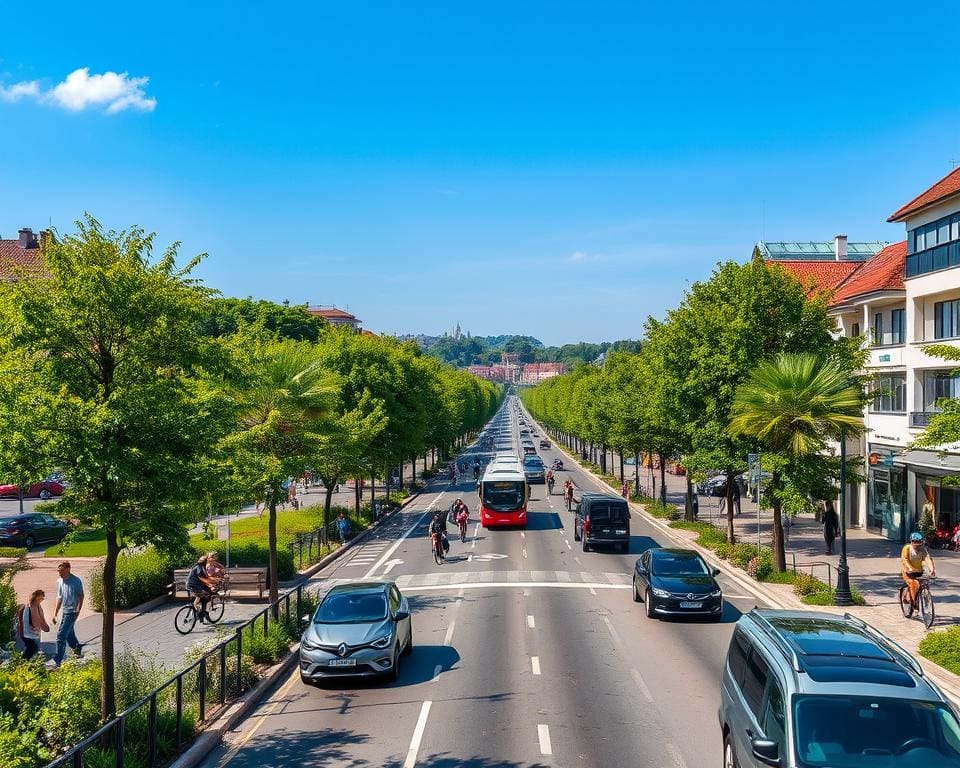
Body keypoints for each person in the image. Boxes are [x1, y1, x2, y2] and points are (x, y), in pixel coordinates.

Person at [52, 561, 84, 666]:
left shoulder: (76, 581)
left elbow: (80, 596)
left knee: (61, 636)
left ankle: (58, 660)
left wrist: (78, 610)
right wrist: (55, 612)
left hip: (72, 611)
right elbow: (59, 597)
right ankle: (77, 647)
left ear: (68, 569)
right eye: (58, 571)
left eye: (61, 571)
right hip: (65, 611)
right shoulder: (60, 581)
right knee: (69, 633)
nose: (59, 573)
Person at [901, 531, 936, 609]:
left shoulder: (923, 550)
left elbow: (928, 559)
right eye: (915, 542)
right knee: (915, 584)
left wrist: (931, 569)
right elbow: (904, 559)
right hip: (908, 571)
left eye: (919, 542)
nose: (917, 544)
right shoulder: (907, 548)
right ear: (912, 541)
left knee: (925, 583)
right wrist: (909, 568)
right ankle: (913, 603)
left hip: (919, 570)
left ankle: (926, 601)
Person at [21, 589, 50, 660]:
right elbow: (35, 622)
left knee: (32, 649)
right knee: (32, 649)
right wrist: (44, 626)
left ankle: (25, 665)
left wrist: (45, 626)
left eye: (43, 598)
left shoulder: (37, 606)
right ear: (36, 597)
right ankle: (22, 664)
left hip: (31, 633)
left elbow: (40, 619)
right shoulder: (33, 605)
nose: (42, 599)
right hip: (29, 633)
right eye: (41, 598)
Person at [185, 554, 215, 623]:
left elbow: (205, 577)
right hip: (194, 586)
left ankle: (198, 612)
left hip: (189, 586)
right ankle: (200, 614)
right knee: (205, 597)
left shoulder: (196, 566)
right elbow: (203, 578)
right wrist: (211, 585)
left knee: (200, 596)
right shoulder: (200, 568)